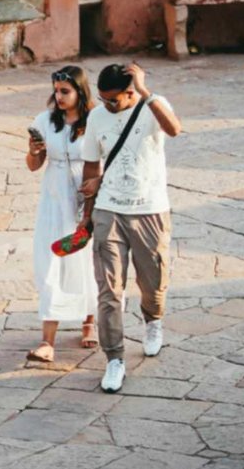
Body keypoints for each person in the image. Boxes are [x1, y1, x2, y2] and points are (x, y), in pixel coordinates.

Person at [78, 60, 183, 393]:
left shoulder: (154, 106)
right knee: (109, 290)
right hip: (109, 209)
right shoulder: (96, 117)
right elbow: (92, 164)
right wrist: (87, 214)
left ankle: (153, 320)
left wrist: (145, 91)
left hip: (150, 209)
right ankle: (114, 359)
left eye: (114, 99)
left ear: (130, 91)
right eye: (102, 98)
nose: (107, 105)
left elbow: (174, 129)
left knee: (154, 281)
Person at [24, 65, 97, 365]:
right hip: (54, 198)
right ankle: (47, 340)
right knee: (52, 259)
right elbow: (33, 165)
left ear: (80, 91)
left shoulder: (95, 122)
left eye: (65, 91)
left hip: (84, 195)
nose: (59, 97)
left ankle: (88, 321)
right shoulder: (45, 121)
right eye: (56, 91)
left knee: (88, 258)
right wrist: (34, 149)